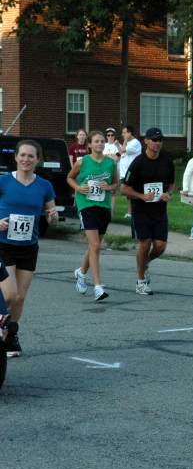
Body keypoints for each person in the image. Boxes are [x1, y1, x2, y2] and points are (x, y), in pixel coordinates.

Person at [0, 140, 59, 357]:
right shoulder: (4, 182)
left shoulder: (44, 185)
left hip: (28, 246)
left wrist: (53, 217)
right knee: (9, 294)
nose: (26, 159)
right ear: (15, 157)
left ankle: (10, 334)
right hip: (4, 244)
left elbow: (53, 216)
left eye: (31, 156)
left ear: (37, 159)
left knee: (20, 297)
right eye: (22, 155)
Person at [120, 127, 175, 295]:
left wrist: (168, 194)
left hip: (159, 210)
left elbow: (171, 184)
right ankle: (141, 281)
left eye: (159, 140)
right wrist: (142, 196)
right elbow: (124, 189)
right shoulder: (138, 163)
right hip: (141, 209)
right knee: (145, 243)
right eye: (154, 140)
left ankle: (144, 263)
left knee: (160, 246)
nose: (157, 143)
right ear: (146, 142)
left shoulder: (167, 160)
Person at [68, 130, 117, 301]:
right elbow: (69, 178)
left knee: (94, 246)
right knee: (95, 245)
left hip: (103, 206)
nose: (100, 144)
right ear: (89, 144)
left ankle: (81, 273)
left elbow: (116, 184)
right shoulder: (82, 162)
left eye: (102, 141)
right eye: (96, 141)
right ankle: (97, 286)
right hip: (86, 205)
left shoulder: (111, 163)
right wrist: (78, 188)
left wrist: (109, 187)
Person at [118, 125, 142, 220]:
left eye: (124, 132)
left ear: (130, 133)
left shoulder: (135, 143)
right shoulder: (128, 142)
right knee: (128, 195)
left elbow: (122, 150)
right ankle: (130, 212)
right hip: (125, 173)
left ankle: (134, 212)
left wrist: (124, 141)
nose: (122, 134)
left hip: (133, 173)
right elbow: (121, 153)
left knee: (132, 193)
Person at [103, 127, 122, 213]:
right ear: (106, 136)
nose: (110, 136)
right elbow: (101, 158)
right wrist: (111, 157)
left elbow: (116, 159)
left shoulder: (118, 146)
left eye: (112, 135)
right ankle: (104, 210)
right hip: (103, 171)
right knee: (103, 190)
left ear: (114, 136)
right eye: (108, 135)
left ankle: (111, 212)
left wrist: (107, 157)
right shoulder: (103, 145)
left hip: (115, 171)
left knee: (113, 192)